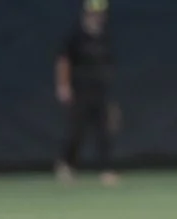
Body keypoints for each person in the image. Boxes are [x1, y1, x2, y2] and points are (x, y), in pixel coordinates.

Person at [54, 0, 119, 187]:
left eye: (101, 13)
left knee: (104, 131)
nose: (98, 16)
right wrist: (63, 85)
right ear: (86, 13)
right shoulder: (76, 35)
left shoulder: (104, 36)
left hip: (100, 91)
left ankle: (107, 170)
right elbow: (63, 60)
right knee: (77, 131)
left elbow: (108, 64)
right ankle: (67, 165)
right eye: (94, 13)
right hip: (80, 91)